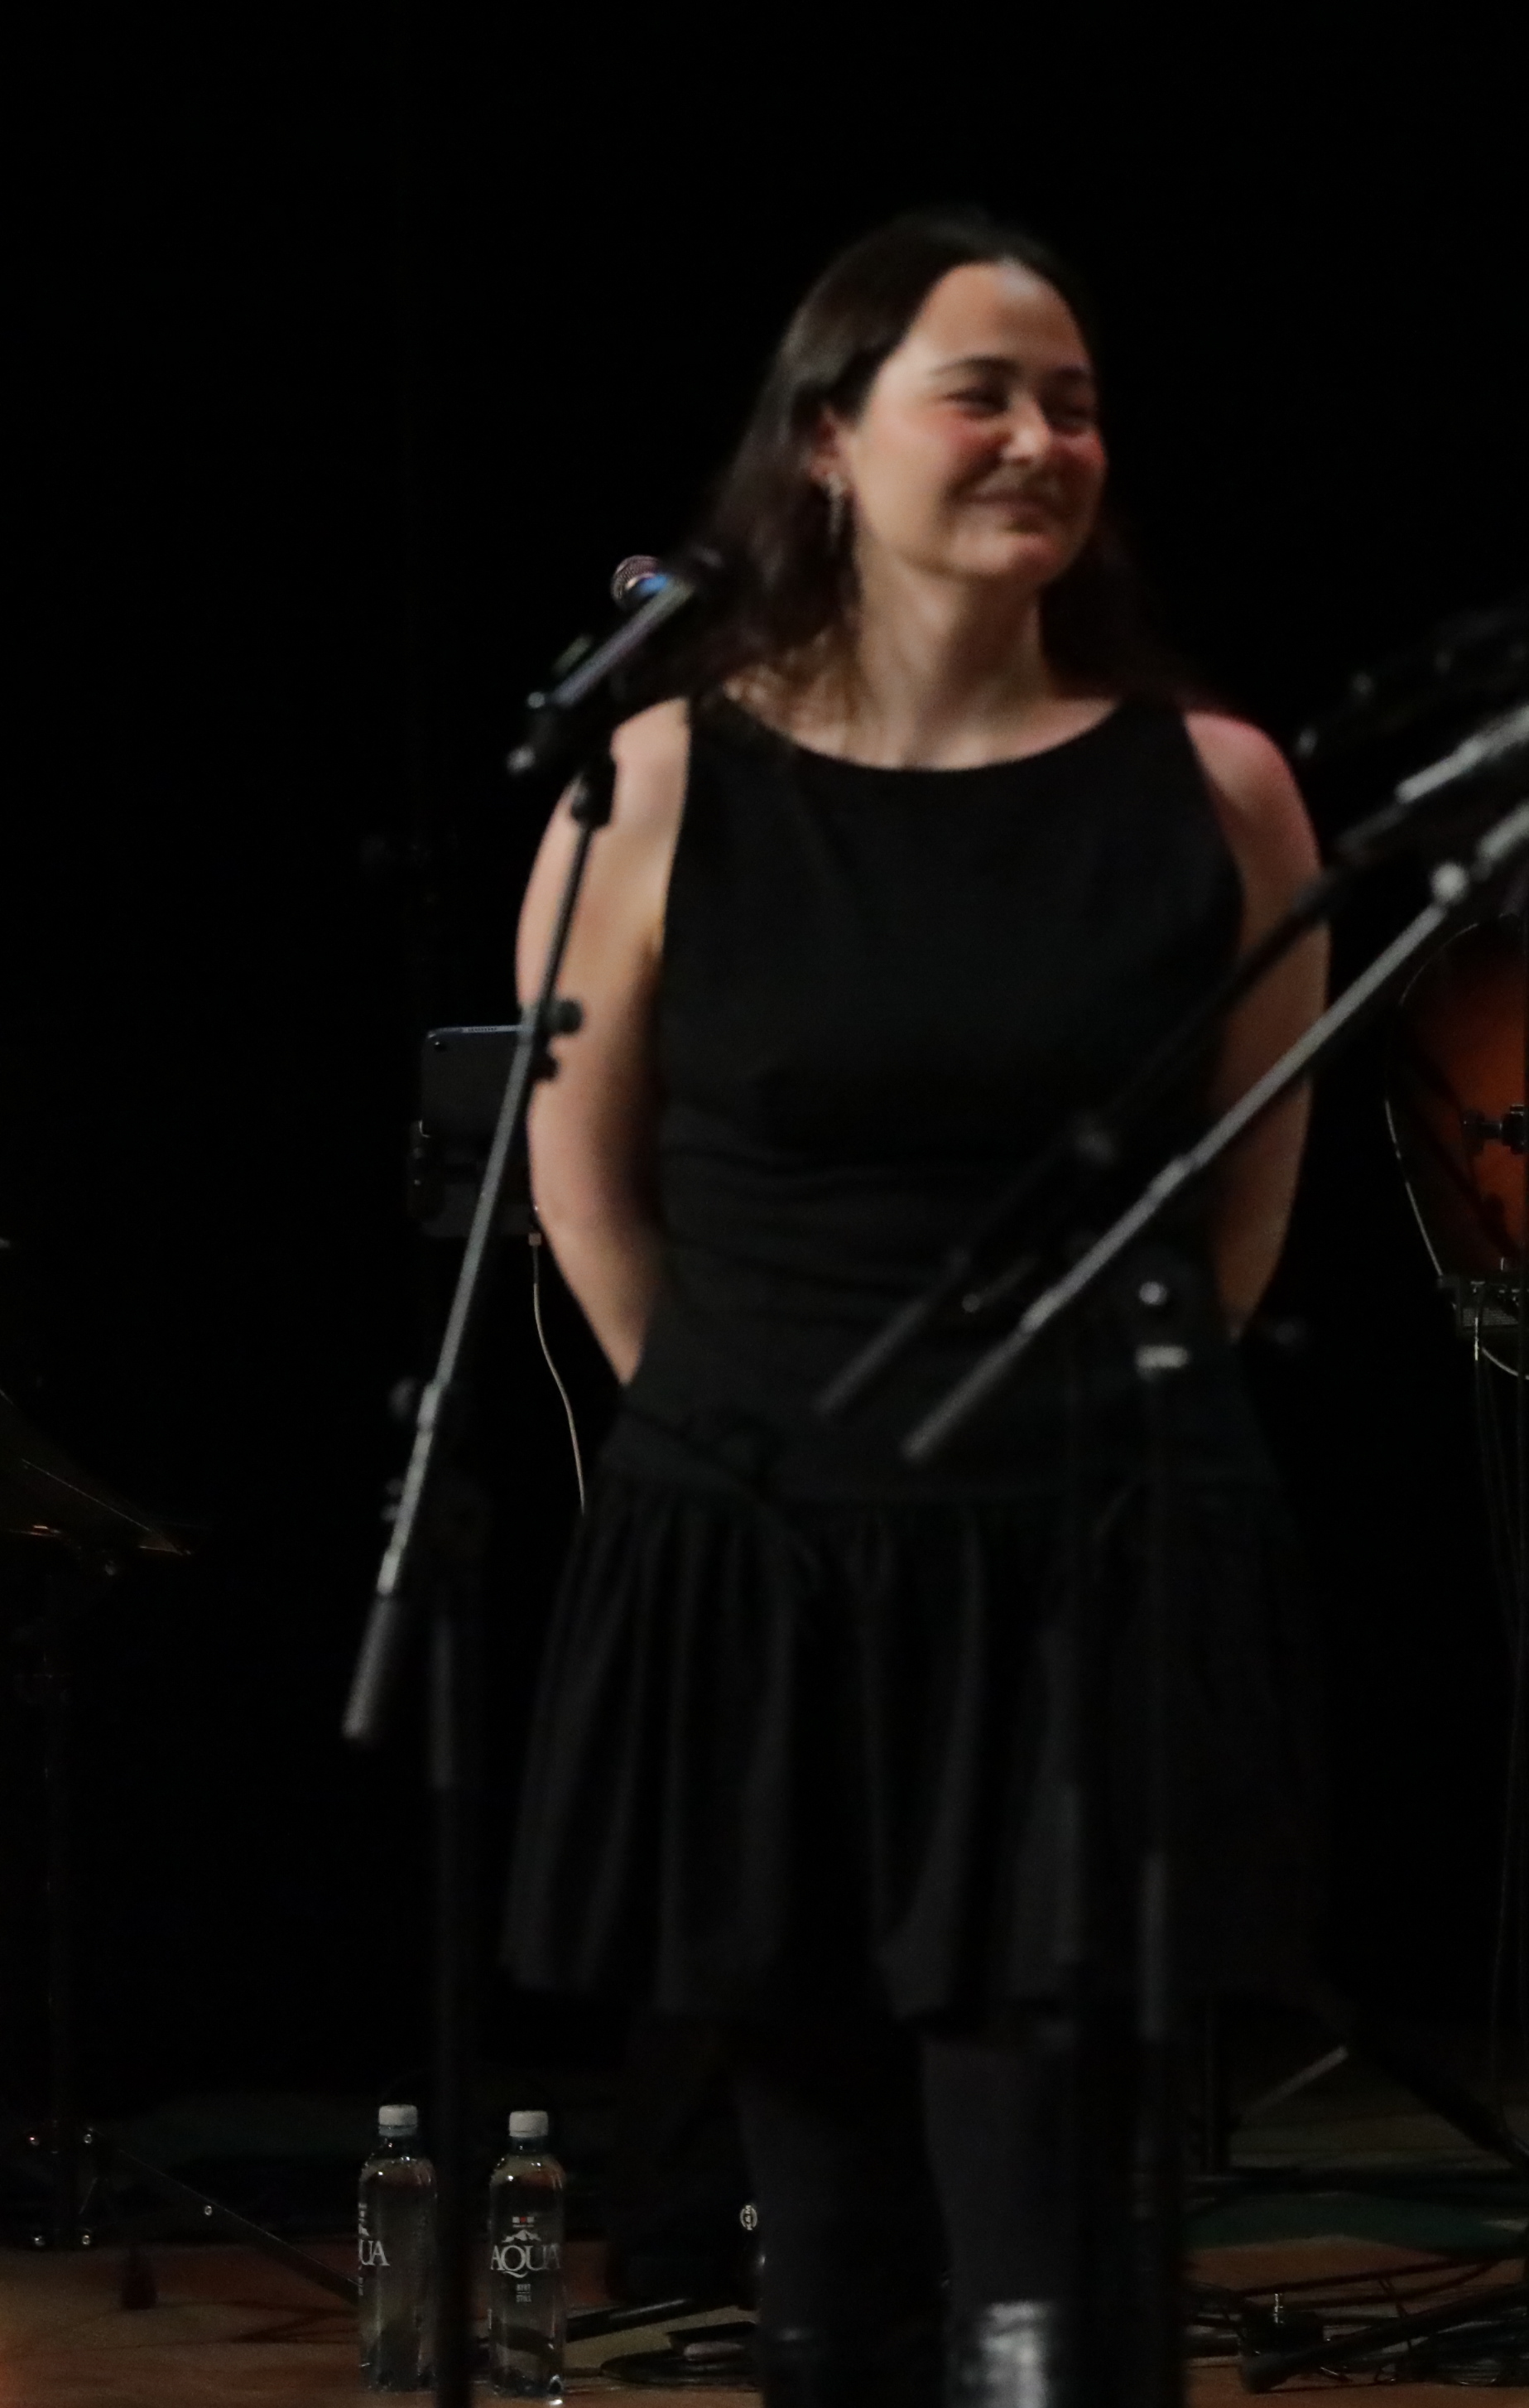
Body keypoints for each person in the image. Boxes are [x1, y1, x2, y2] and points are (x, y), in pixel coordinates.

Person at [499, 209, 1326, 2408]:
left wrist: (1066, 1435)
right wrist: (756, 1431)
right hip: (766, 1560)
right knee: (827, 2247)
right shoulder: (656, 784)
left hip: (1086, 1566)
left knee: (1060, 2256)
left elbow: (1245, 1204)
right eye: (982, 392)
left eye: (1075, 401)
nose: (1042, 437)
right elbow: (583, 1188)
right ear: (827, 441)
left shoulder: (1218, 789)